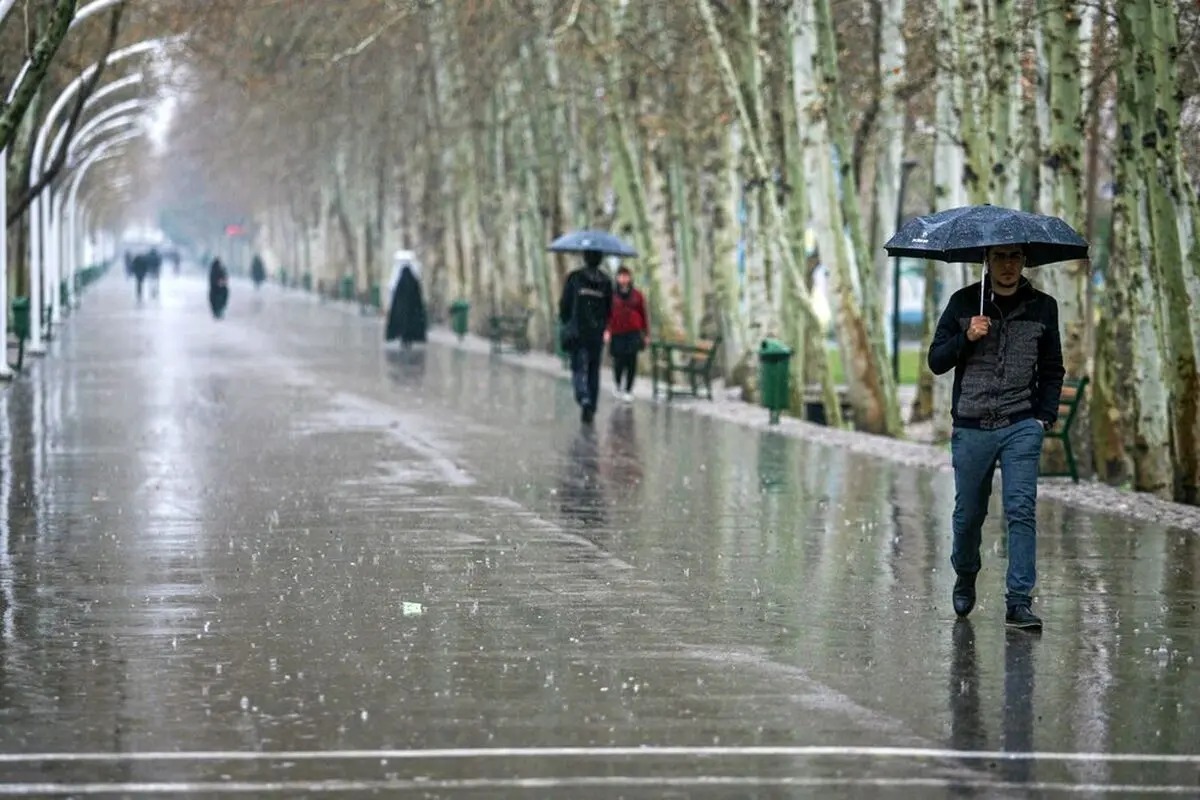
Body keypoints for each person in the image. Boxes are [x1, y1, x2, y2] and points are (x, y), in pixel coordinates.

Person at [928, 243, 1064, 630]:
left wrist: (1043, 418)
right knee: (968, 515)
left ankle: (1019, 601)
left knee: (1021, 511)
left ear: (1024, 262)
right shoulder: (963, 302)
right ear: (986, 261)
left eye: (1015, 258)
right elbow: (936, 361)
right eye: (1000, 257)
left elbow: (1053, 367)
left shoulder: (1043, 306)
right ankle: (966, 573)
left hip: (1021, 425)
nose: (1007, 265)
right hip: (971, 426)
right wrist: (966, 336)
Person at [559, 250, 613, 424]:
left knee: (578, 367)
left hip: (578, 330)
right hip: (595, 333)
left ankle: (583, 396)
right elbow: (609, 308)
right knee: (593, 369)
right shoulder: (605, 281)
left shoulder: (575, 278)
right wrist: (602, 325)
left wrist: (567, 320)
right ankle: (592, 403)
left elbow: (564, 305)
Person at [604, 265, 649, 402]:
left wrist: (646, 333)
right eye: (621, 276)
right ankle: (618, 384)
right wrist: (606, 330)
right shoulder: (611, 295)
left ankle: (629, 389)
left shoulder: (637, 295)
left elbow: (643, 314)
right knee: (619, 361)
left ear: (630, 278)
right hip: (617, 332)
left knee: (631, 362)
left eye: (626, 276)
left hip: (633, 332)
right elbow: (606, 314)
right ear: (617, 278)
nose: (623, 279)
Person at [385, 254, 427, 348]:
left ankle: (403, 335)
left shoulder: (400, 276)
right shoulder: (413, 277)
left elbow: (392, 287)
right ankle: (409, 336)